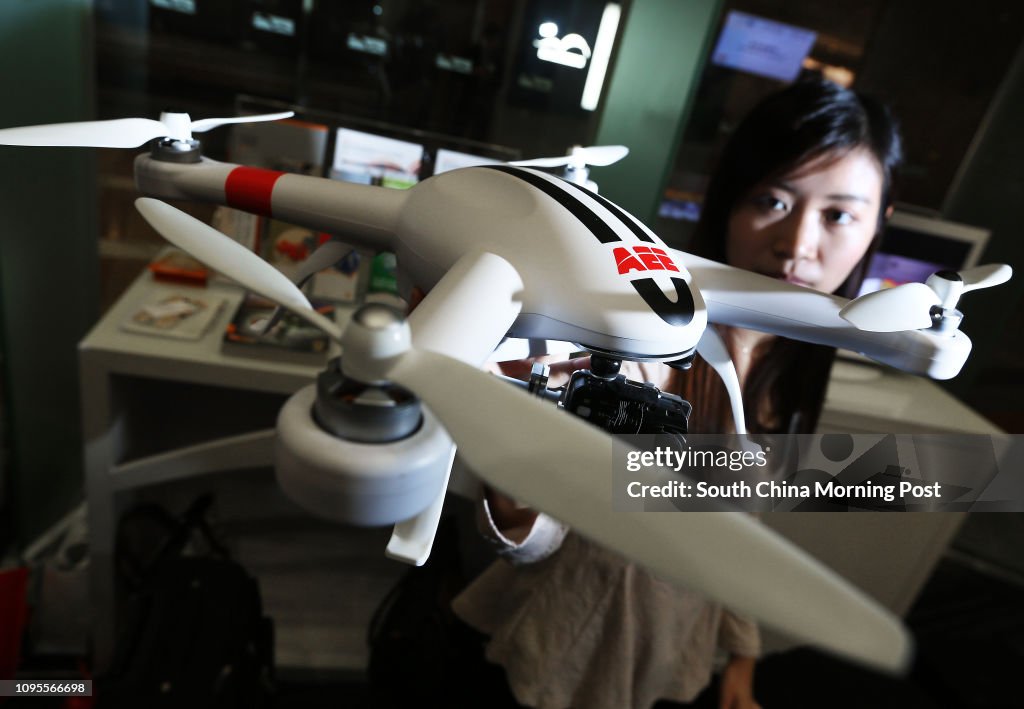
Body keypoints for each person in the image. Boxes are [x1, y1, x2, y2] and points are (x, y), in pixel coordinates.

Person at [451, 78, 904, 709]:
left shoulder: (795, 360)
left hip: (674, 651)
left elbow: (742, 533)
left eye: (838, 215)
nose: (798, 245)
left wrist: (740, 662)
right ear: (727, 202)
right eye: (772, 200)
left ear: (878, 223)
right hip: (567, 642)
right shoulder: (644, 341)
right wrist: (517, 483)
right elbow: (534, 532)